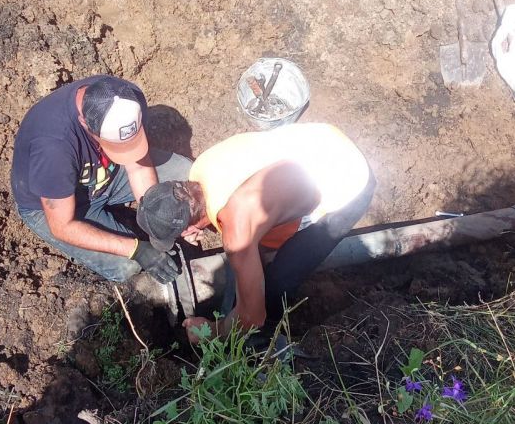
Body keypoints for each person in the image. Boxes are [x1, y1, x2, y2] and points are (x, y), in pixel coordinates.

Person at [135, 122, 374, 342]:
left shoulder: (238, 229)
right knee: (257, 250)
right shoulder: (201, 168)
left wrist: (212, 331)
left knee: (278, 283)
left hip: (348, 180)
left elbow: (251, 317)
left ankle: (269, 333)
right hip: (323, 139)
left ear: (188, 227)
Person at [11, 75, 191, 284]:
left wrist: (156, 220)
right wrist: (137, 249)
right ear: (85, 123)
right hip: (58, 209)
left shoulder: (127, 98)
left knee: (186, 175)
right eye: (116, 145)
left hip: (108, 175)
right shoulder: (53, 147)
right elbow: (62, 226)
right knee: (128, 267)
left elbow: (137, 167)